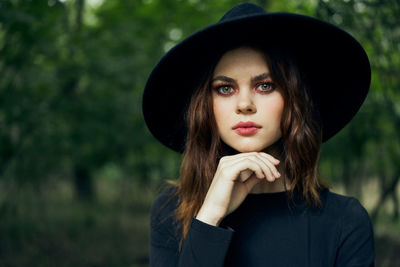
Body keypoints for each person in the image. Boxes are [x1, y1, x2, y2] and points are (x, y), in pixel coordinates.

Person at [142, 3, 375, 267]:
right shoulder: (170, 211)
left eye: (265, 86)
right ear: (205, 106)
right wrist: (208, 217)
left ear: (293, 100)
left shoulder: (345, 221)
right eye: (225, 88)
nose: (244, 104)